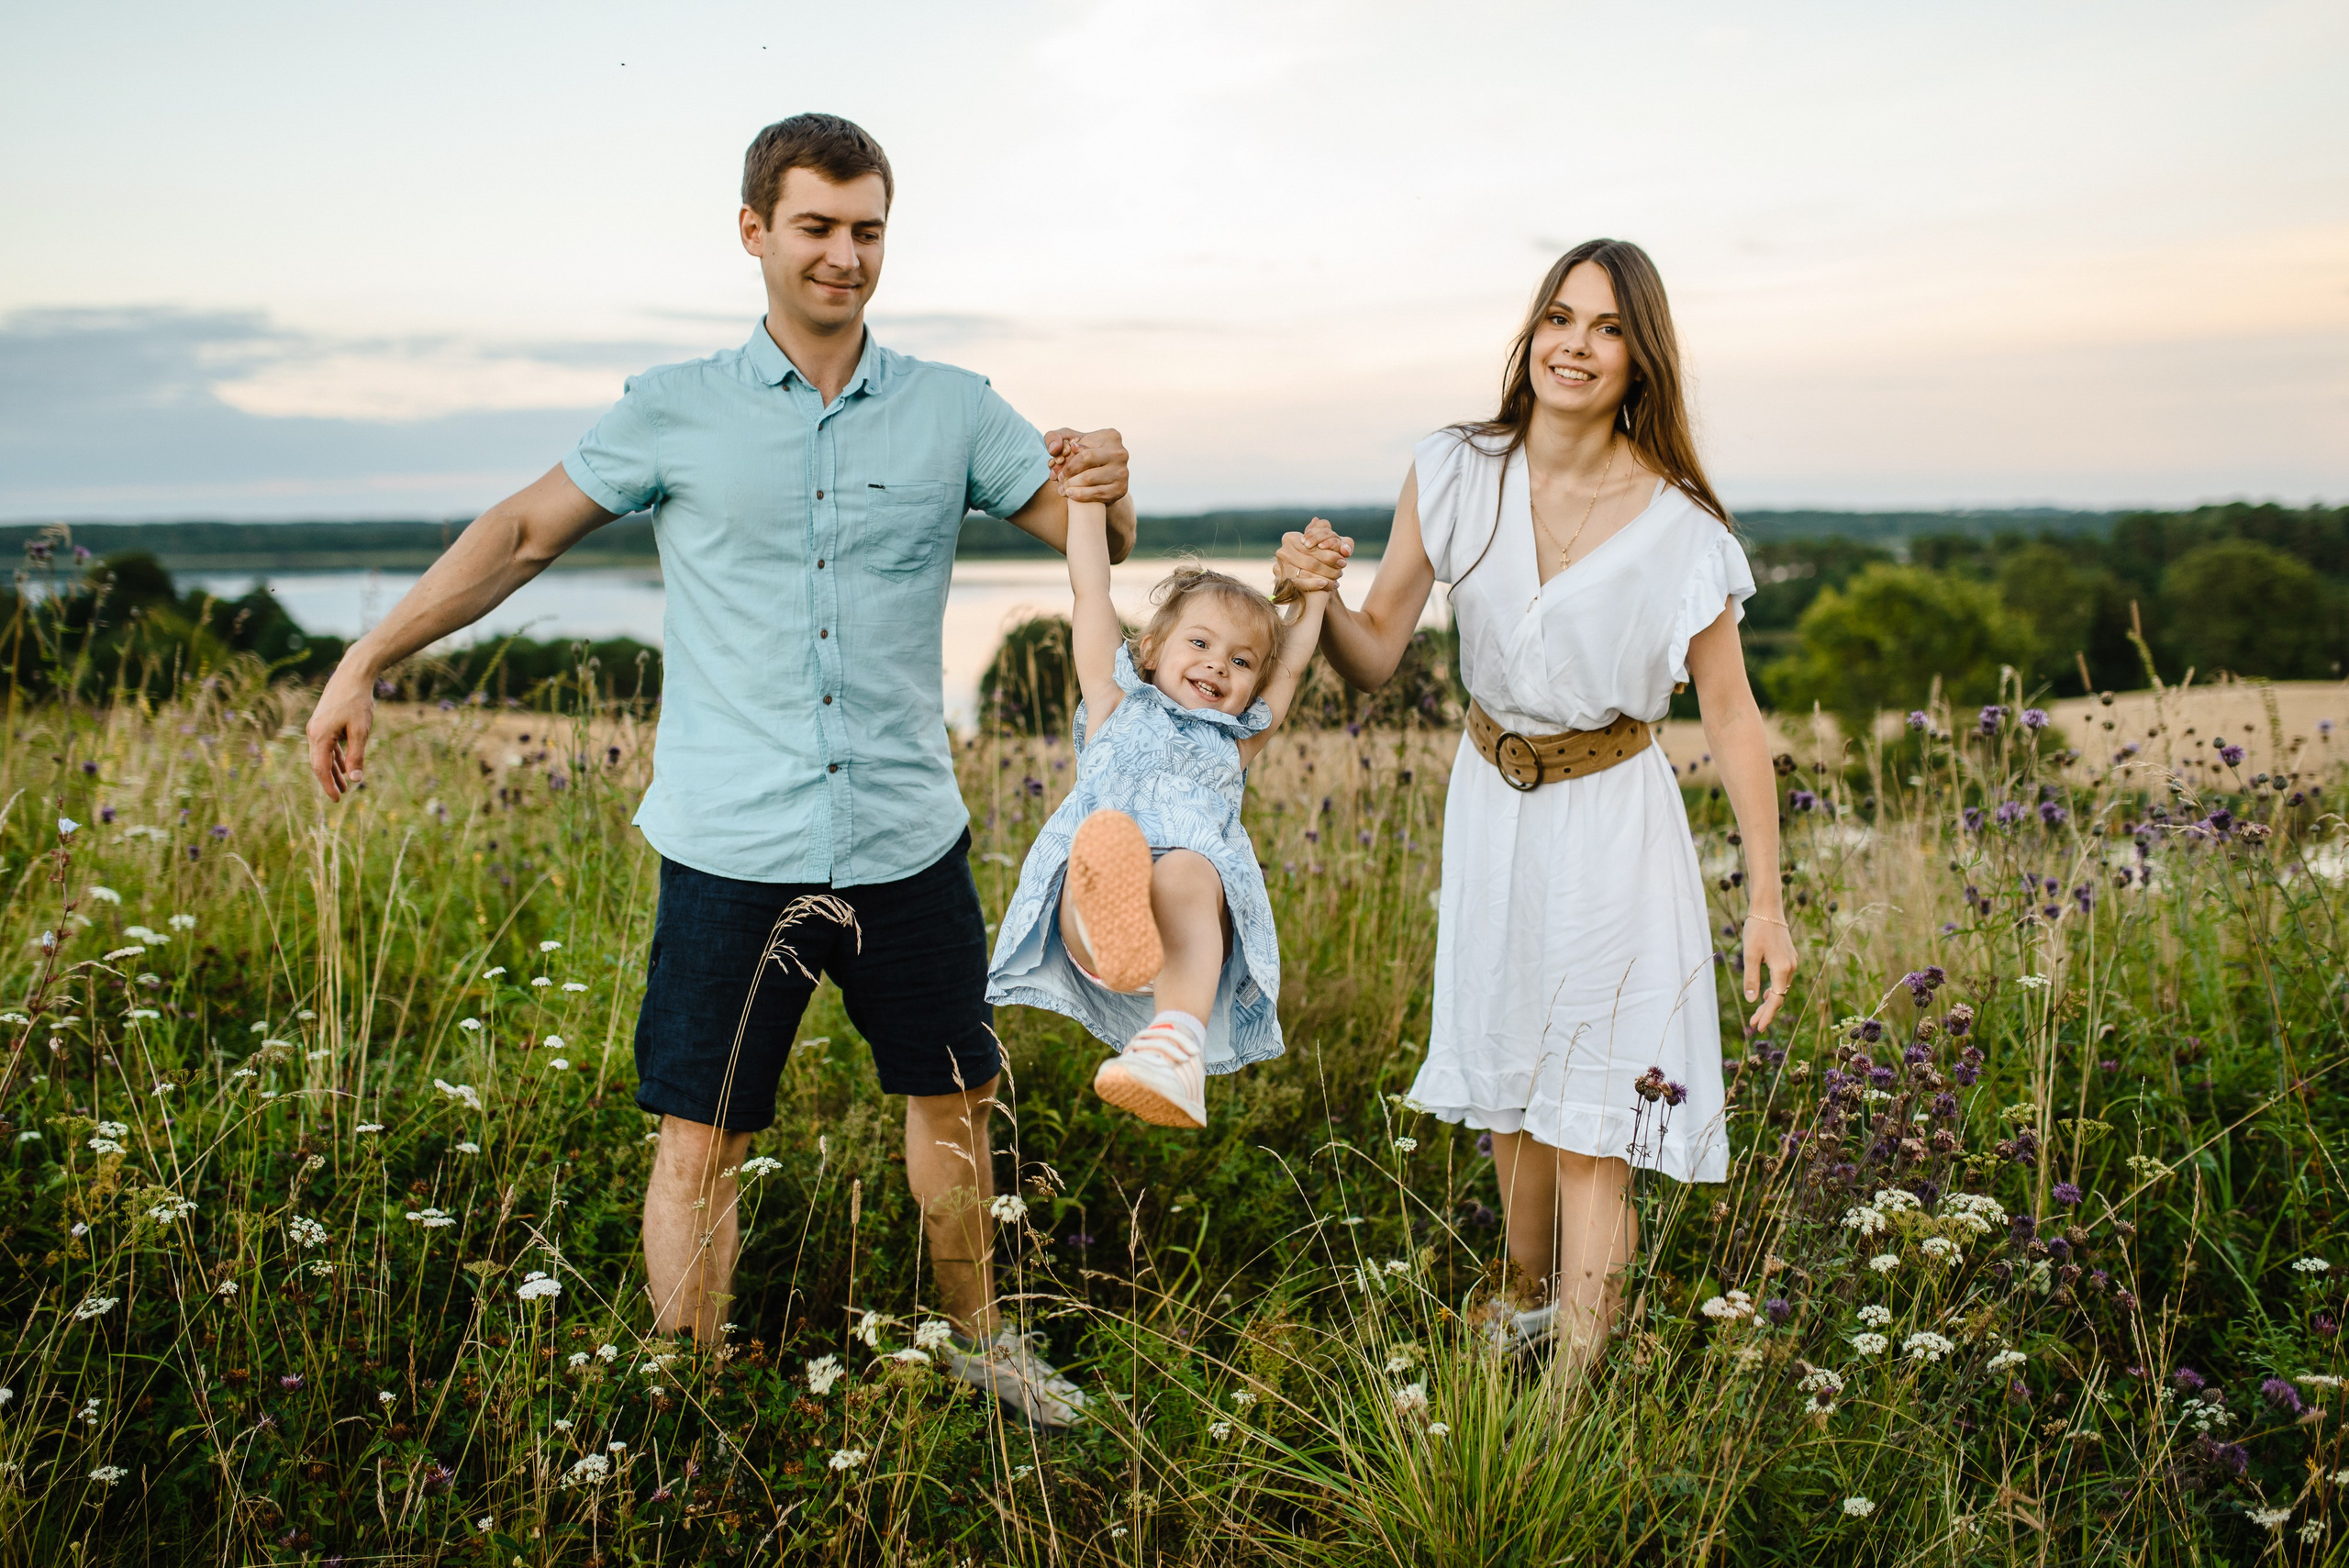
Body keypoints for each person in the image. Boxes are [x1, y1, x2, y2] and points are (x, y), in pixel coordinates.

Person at [304, 113, 1132, 1428]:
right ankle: (688, 1402)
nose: (844, 257)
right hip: (728, 846)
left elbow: (1091, 526)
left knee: (960, 1100)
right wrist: (368, 658)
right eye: (816, 227)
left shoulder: (955, 407)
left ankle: (983, 1348)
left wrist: (1112, 482)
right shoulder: (669, 409)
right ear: (755, 231)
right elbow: (521, 532)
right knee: (703, 1135)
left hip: (906, 838)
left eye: (867, 231)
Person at [1273, 239, 1798, 1371]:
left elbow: (1733, 716)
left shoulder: (1683, 528)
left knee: (1594, 1108)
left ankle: (1571, 1397)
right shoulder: (1458, 467)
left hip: (1612, 815)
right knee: (1509, 1086)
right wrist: (1312, 602)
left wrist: (1765, 903)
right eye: (1561, 318)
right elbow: (1373, 656)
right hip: (1490, 803)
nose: (1577, 344)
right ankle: (1523, 1298)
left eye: (1608, 328)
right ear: (1532, 334)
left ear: (1639, 359)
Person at [985, 497, 1332, 1129]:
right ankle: (1110, 933)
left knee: (1193, 869)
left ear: (1254, 685)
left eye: (1240, 661)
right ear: (1148, 651)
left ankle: (1175, 1052)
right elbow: (1090, 592)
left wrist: (1314, 593)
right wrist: (1086, 505)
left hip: (1185, 934)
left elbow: (1295, 661)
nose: (1216, 664)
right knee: (1106, 842)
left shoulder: (1236, 738)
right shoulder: (1115, 700)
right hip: (1091, 912)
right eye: (1199, 642)